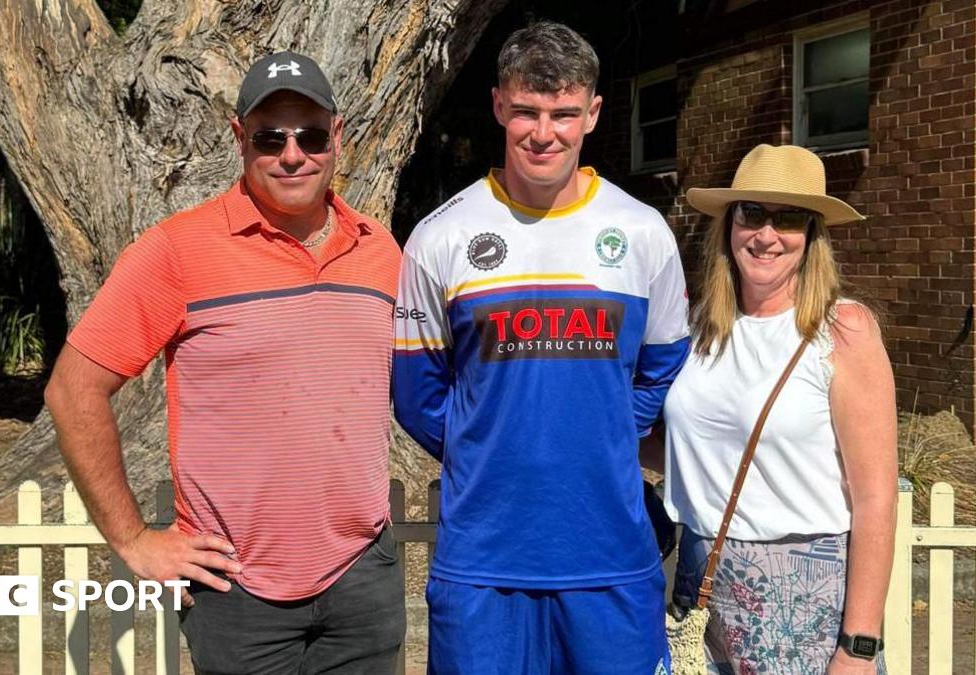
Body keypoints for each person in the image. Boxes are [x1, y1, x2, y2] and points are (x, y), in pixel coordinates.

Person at [44, 51, 405, 674]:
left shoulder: (380, 251)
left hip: (364, 572)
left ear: (336, 138)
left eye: (311, 135)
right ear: (240, 138)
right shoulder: (176, 251)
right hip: (237, 587)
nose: (293, 154)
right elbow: (74, 390)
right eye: (270, 137)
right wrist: (131, 539)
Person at [393, 20, 690, 675]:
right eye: (526, 110)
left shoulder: (641, 233)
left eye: (563, 113)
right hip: (484, 562)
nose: (544, 131)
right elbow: (417, 393)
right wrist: (493, 444)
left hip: (609, 552)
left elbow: (664, 370)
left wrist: (603, 431)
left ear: (593, 114)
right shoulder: (441, 236)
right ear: (499, 105)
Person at [657, 144, 896, 673]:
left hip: (806, 602)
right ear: (729, 224)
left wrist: (858, 645)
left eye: (789, 218)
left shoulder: (841, 331)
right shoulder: (699, 328)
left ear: (813, 235)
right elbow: (681, 438)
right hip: (702, 588)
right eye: (752, 214)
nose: (767, 235)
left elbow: (875, 497)